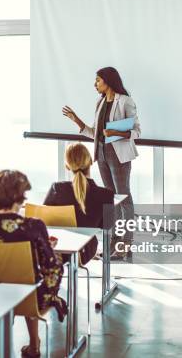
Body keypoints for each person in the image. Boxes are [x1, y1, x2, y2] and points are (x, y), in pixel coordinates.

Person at [0, 170, 66, 358]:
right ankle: (34, 344)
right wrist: (50, 248)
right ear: (21, 198)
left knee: (23, 279)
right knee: (33, 278)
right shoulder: (33, 226)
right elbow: (52, 269)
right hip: (26, 300)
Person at [62, 67, 140, 257]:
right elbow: (95, 134)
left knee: (124, 197)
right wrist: (77, 121)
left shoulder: (125, 101)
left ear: (108, 81)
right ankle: (113, 241)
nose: (95, 84)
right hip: (102, 153)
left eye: (98, 80)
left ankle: (126, 243)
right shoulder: (100, 102)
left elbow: (137, 131)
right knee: (110, 199)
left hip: (119, 154)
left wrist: (115, 133)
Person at [44, 143, 115, 228]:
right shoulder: (107, 195)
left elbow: (44, 218)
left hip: (63, 241)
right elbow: (107, 226)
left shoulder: (57, 189)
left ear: (67, 166)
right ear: (91, 161)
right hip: (90, 241)